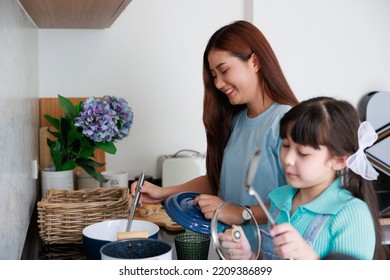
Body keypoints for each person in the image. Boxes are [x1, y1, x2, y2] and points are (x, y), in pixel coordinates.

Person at [131, 20, 298, 224]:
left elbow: (301, 200)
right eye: (214, 75)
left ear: (254, 62)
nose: (218, 83)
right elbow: (219, 181)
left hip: (270, 253)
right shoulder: (235, 122)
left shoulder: (287, 121)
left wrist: (240, 213)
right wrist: (163, 193)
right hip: (230, 249)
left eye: (224, 70)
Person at [219, 96, 387, 260]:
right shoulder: (280, 200)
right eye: (286, 145)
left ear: (339, 160)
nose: (287, 159)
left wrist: (309, 258)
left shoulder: (351, 214)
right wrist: (250, 257)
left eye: (303, 153)